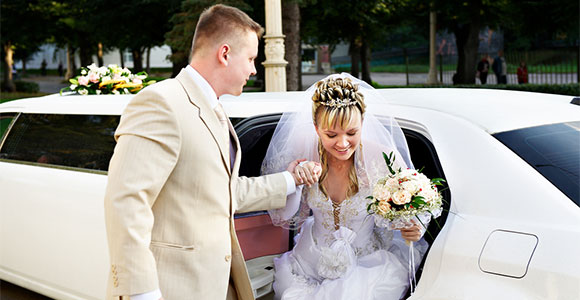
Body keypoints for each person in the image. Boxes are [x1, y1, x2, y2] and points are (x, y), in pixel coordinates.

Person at [104, 4, 318, 300]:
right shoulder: (161, 102)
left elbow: (221, 190)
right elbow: (126, 202)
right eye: (251, 58)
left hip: (217, 283)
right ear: (225, 53)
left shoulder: (214, 108)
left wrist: (289, 180)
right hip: (173, 287)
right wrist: (141, 291)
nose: (254, 69)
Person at [262, 74, 429, 300]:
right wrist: (296, 182)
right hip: (309, 263)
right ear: (316, 128)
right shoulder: (302, 154)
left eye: (352, 133)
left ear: (362, 124)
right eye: (331, 135)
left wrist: (416, 226)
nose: (342, 144)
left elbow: (412, 204)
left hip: (368, 267)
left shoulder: (382, 157)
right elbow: (284, 216)